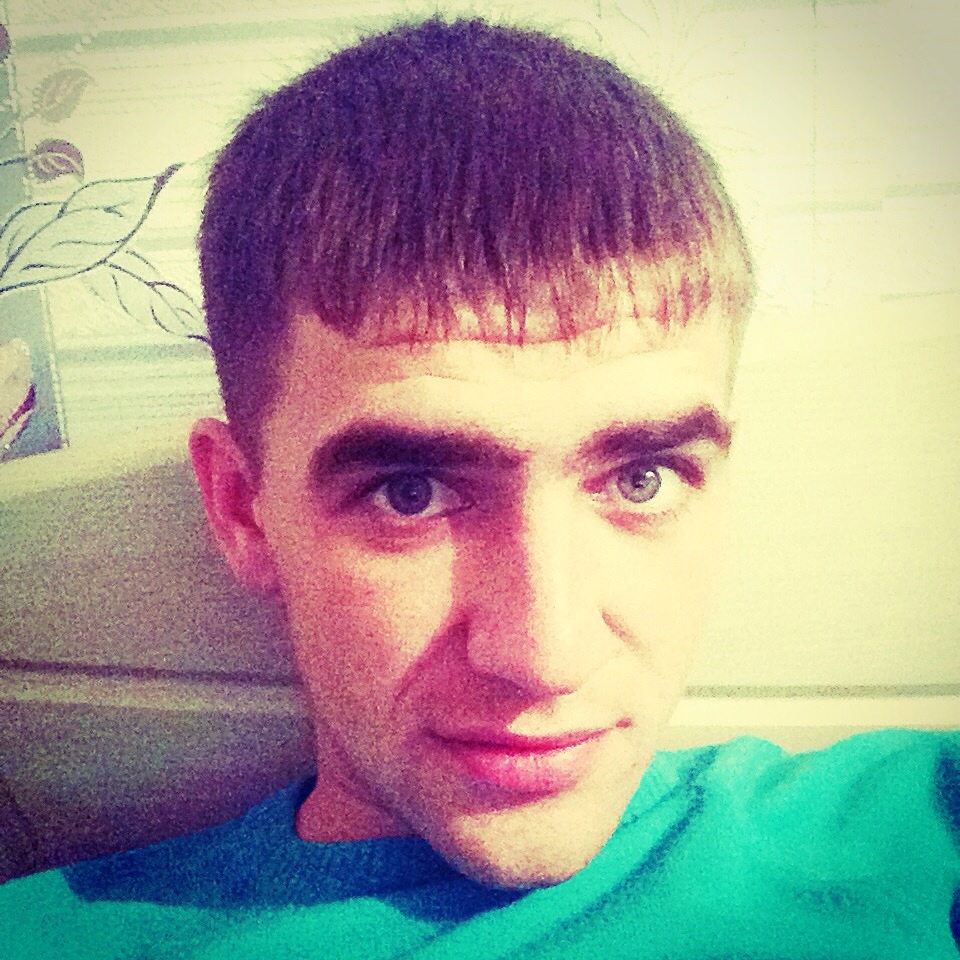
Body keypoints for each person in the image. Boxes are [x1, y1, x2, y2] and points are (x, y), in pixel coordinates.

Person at [2, 16, 957, 959]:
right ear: (242, 511)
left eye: (642, 478)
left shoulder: (913, 826)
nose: (546, 657)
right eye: (410, 493)